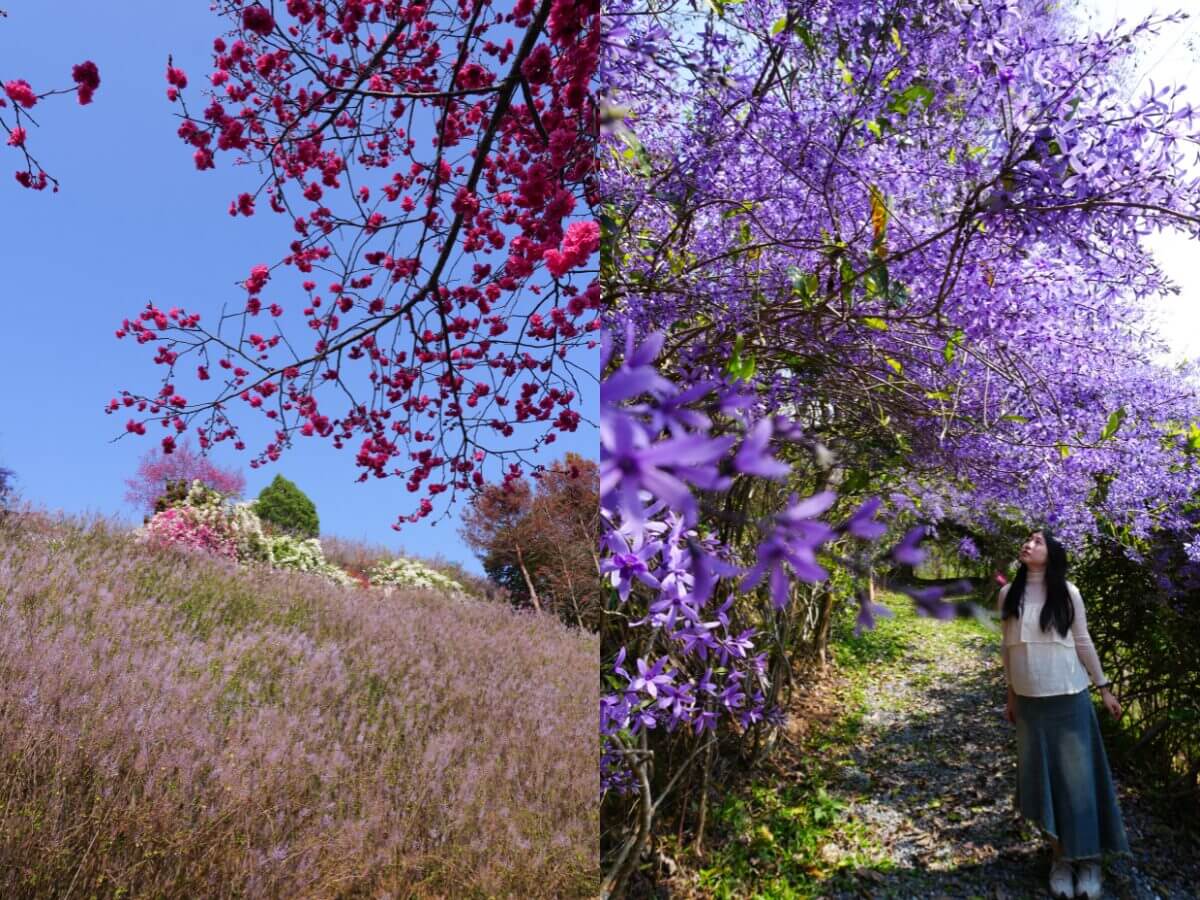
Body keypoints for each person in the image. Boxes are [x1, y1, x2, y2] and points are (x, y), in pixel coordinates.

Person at [998, 529, 1130, 899]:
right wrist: (1010, 698)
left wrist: (1103, 688)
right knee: (1045, 780)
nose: (1028, 544)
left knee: (1078, 781)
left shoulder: (1068, 593)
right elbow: (1008, 652)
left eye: (1037, 541)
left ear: (1052, 553)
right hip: (1028, 703)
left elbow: (1083, 640)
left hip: (1069, 697)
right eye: (1027, 539)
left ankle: (1087, 861)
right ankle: (1060, 857)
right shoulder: (1007, 594)